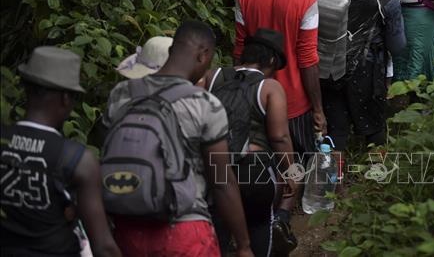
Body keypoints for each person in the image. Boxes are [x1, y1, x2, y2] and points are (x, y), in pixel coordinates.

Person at [103, 21, 253, 257]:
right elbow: (222, 181)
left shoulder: (121, 95)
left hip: (126, 229)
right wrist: (243, 245)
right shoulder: (205, 104)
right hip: (183, 230)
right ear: (203, 55)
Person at [233, 0, 325, 253]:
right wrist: (317, 108)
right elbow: (308, 59)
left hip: (253, 95)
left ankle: (258, 216)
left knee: (259, 159)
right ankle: (281, 217)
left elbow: (239, 50)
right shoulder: (305, 1)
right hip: (294, 100)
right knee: (295, 160)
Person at [0, 46, 121, 257]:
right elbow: (103, 246)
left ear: (26, 88)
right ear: (66, 98)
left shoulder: (3, 140)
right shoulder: (77, 159)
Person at [206, 28, 296, 257]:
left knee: (218, 231)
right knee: (258, 226)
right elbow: (279, 137)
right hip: (253, 171)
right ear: (273, 60)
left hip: (215, 169)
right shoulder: (270, 88)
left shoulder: (211, 77)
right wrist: (291, 172)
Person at [322, 0, 407, 154]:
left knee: (337, 129)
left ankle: (332, 180)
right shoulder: (389, 1)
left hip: (333, 64)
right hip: (367, 71)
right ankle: (375, 177)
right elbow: (398, 46)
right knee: (375, 125)